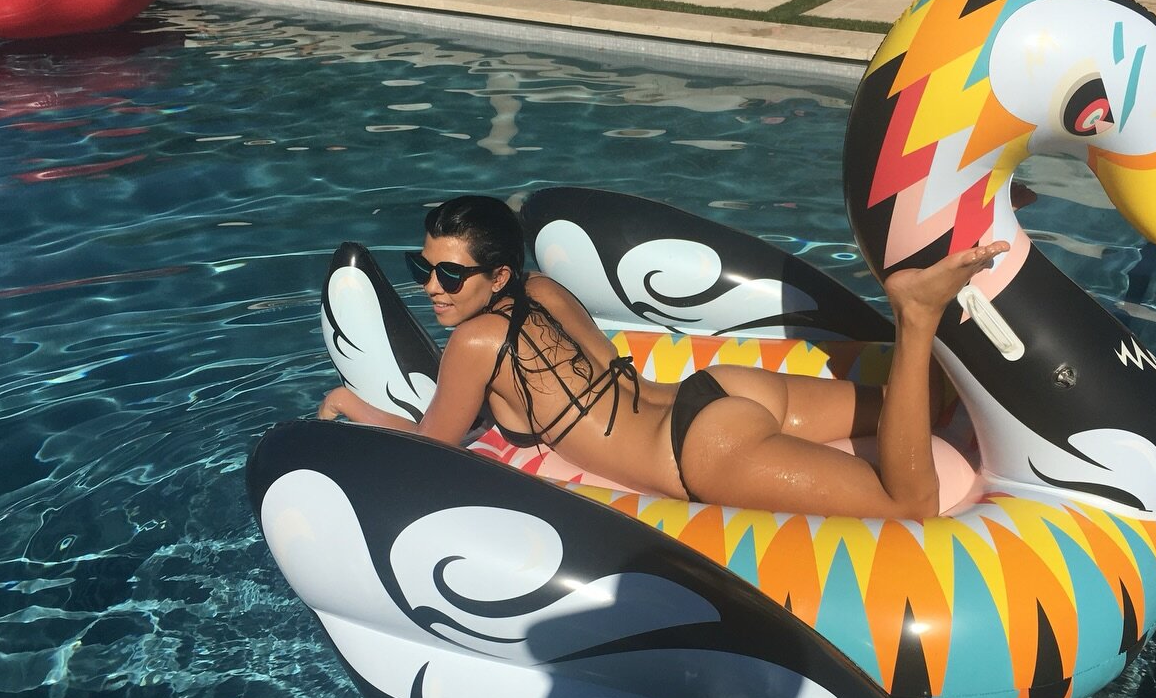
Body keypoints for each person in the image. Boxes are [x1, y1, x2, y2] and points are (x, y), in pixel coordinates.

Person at [318, 195, 1008, 520]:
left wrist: (353, 406)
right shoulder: (545, 291)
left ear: (498, 276)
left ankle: (915, 314)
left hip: (700, 451)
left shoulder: (473, 344)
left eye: (448, 275)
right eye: (422, 268)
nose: (430, 288)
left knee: (909, 501)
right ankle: (949, 263)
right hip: (713, 391)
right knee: (921, 408)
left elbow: (434, 445)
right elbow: (607, 366)